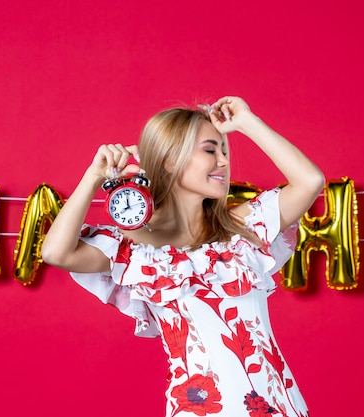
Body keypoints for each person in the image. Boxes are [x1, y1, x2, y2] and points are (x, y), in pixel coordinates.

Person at [41, 96, 324, 417]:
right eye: (209, 150)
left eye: (225, 151)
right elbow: (56, 252)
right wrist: (94, 176)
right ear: (171, 161)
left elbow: (310, 182)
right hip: (203, 408)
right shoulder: (136, 248)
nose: (223, 162)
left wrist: (246, 122)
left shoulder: (244, 230)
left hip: (281, 406)